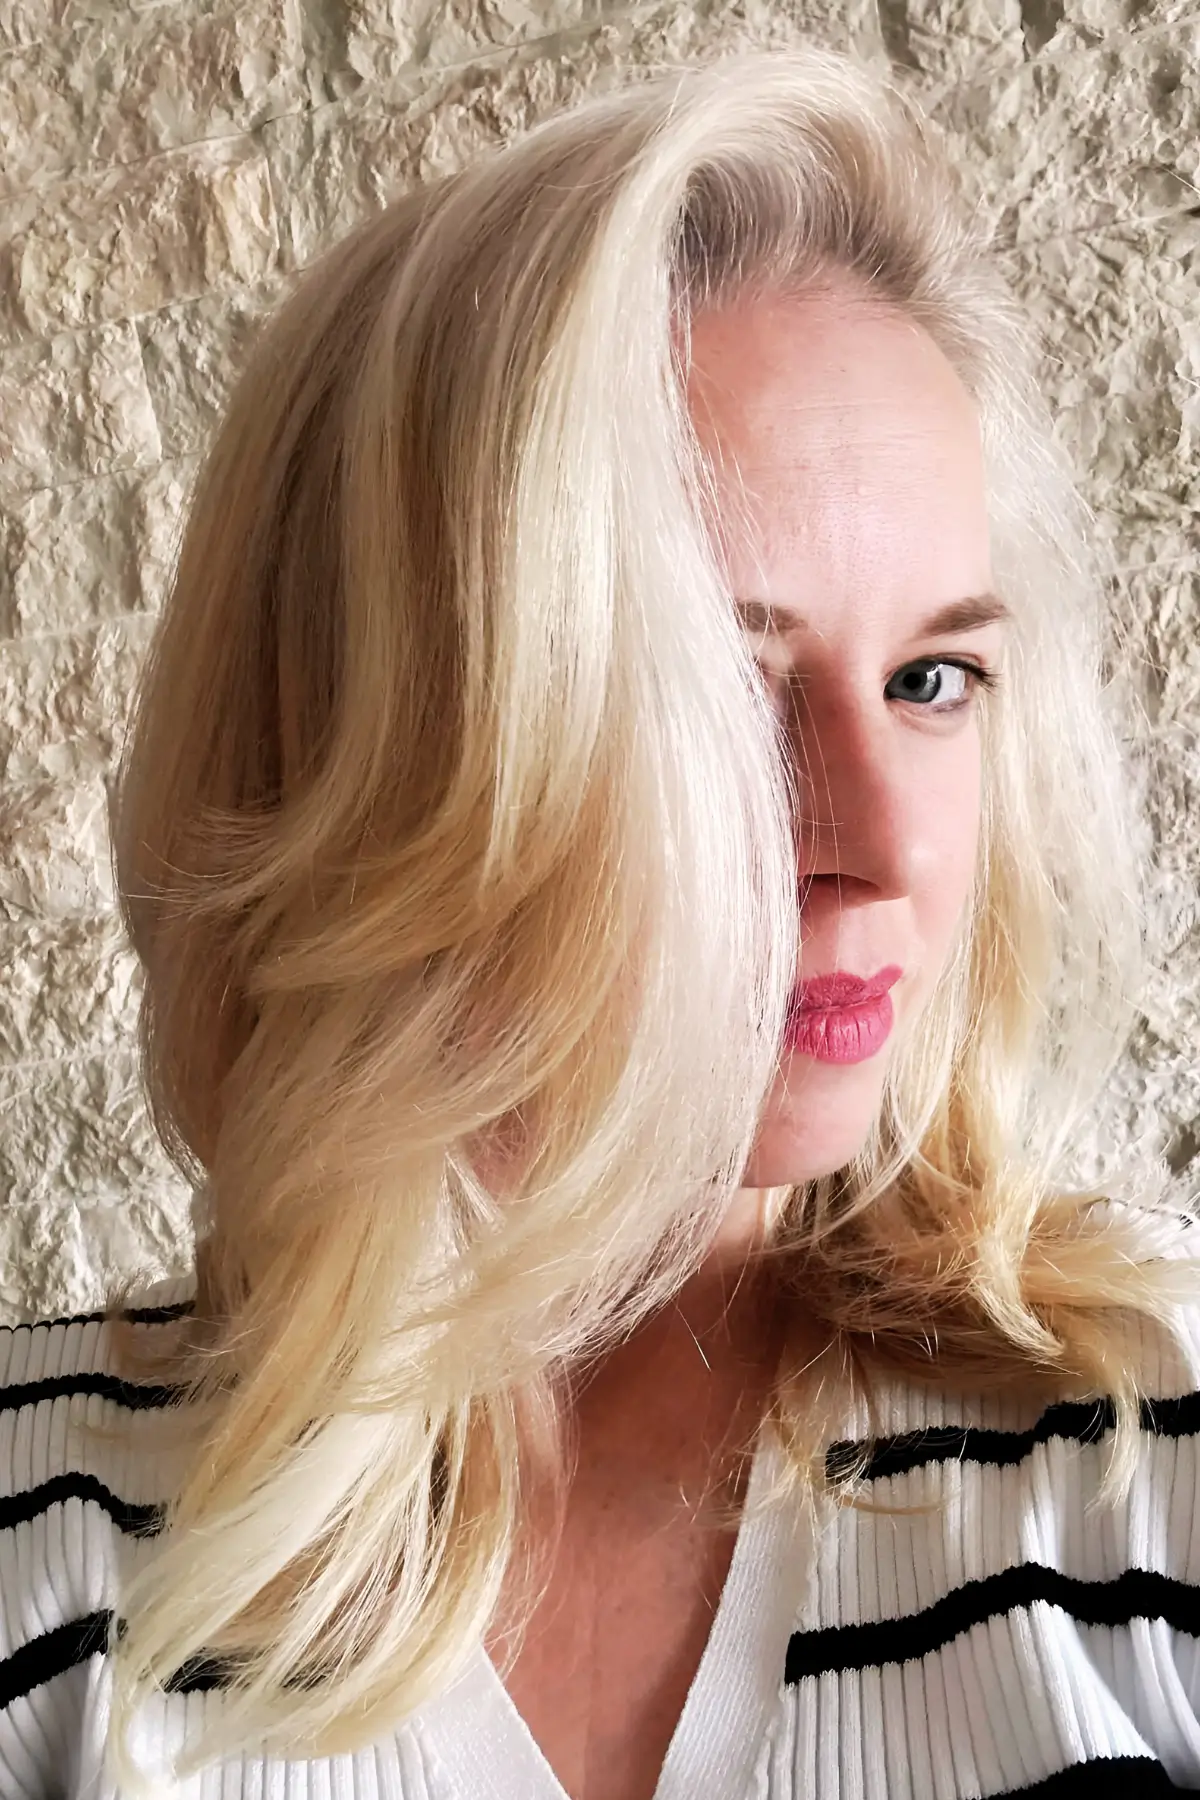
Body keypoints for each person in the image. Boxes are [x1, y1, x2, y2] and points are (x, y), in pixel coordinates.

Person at [1, 42, 1198, 1800]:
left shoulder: (1140, 1458)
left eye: (934, 677)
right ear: (381, 741)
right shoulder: (56, 1541)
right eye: (718, 692)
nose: (880, 848)